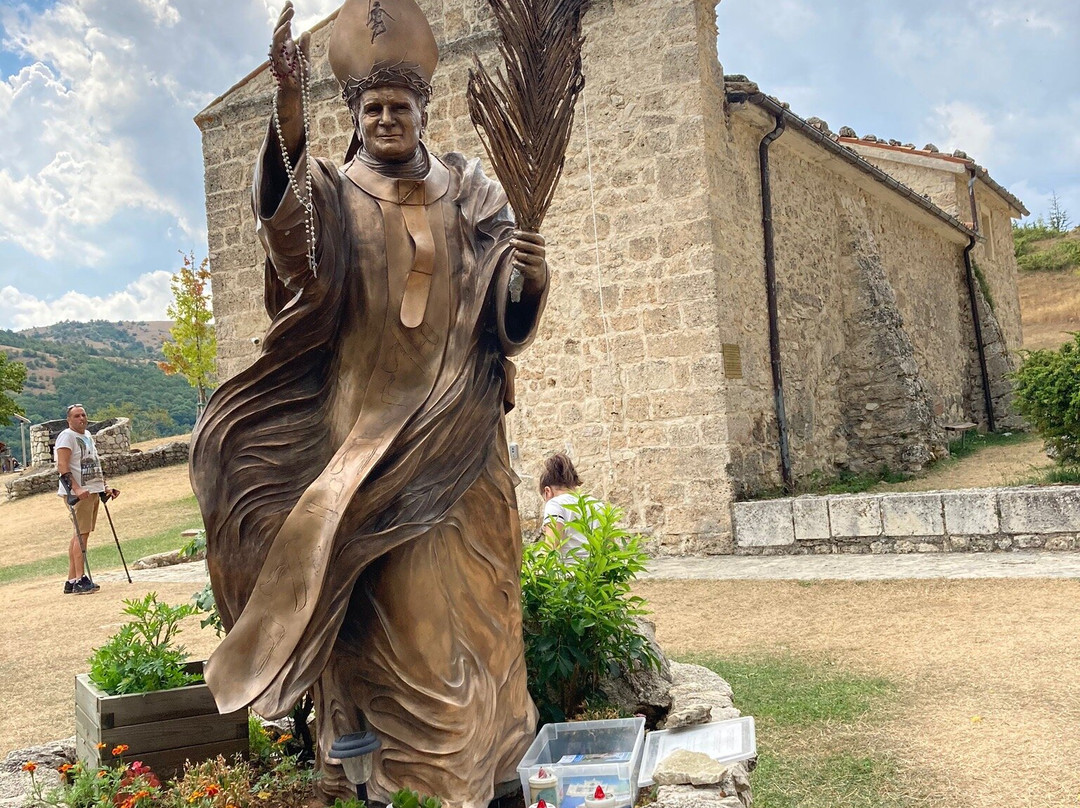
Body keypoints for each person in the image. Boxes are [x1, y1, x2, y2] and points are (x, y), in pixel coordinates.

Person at [190, 1, 548, 805]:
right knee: (405, 619)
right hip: (372, 443)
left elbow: (507, 310)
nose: (389, 118)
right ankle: (413, 778)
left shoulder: (473, 194)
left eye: (402, 106)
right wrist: (287, 108)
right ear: (353, 115)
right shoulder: (332, 195)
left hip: (466, 442)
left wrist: (530, 276)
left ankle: (494, 766)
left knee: (489, 611)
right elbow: (286, 239)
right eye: (374, 108)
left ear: (425, 110)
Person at [55, 405, 119, 595]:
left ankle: (71, 580)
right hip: (80, 493)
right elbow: (62, 465)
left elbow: (94, 464)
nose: (81, 418)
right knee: (81, 534)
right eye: (76, 416)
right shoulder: (67, 436)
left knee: (80, 533)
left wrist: (104, 487)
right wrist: (75, 488)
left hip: (92, 490)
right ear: (69, 419)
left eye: (83, 415)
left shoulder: (88, 435)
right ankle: (80, 580)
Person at [539, 453, 600, 560]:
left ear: (547, 491)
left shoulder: (554, 504)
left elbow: (550, 550)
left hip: (568, 573)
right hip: (599, 574)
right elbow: (610, 548)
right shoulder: (597, 504)